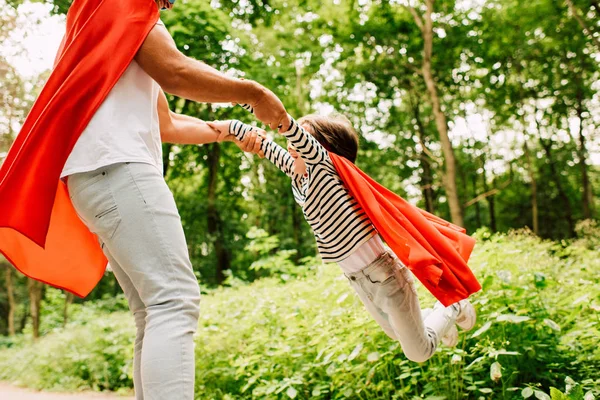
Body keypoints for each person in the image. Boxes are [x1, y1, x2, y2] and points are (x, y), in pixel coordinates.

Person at [0, 0, 285, 398]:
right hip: (120, 170)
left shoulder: (102, 24)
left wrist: (226, 130)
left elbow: (164, 123)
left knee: (152, 312)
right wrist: (253, 93)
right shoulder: (124, 4)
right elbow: (177, 71)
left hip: (97, 177)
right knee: (174, 301)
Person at [209, 109, 481, 362]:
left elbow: (287, 126)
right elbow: (267, 148)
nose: (289, 146)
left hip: (384, 274)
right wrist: (232, 126)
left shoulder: (322, 169)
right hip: (358, 279)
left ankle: (453, 308)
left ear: (319, 148)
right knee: (395, 333)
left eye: (299, 139)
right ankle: (436, 322)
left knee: (418, 352)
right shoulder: (299, 177)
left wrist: (252, 99)